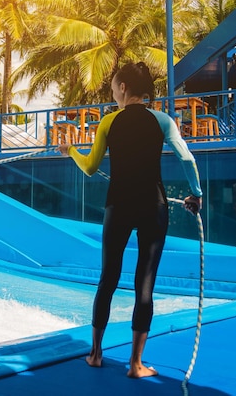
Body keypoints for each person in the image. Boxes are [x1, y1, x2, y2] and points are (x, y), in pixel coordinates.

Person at [58, 62, 202, 378]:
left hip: (118, 205)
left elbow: (92, 167)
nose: (112, 93)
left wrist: (70, 151)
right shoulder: (163, 120)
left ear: (124, 88)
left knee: (107, 279)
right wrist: (196, 193)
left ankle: (95, 354)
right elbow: (187, 158)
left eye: (113, 88)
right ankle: (136, 365)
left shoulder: (109, 122)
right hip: (153, 205)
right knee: (145, 284)